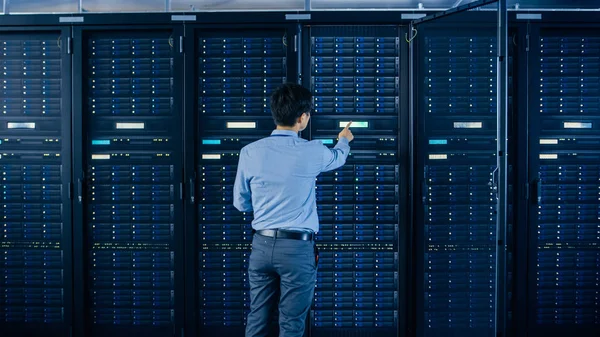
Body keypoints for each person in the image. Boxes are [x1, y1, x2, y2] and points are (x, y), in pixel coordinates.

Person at [233, 83, 354, 337]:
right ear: (302, 118)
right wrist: (343, 140)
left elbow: (241, 204)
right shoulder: (312, 151)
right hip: (297, 250)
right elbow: (338, 157)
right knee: (291, 324)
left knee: (257, 317)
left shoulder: (249, 152)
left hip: (261, 246)